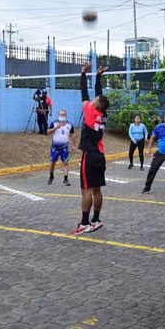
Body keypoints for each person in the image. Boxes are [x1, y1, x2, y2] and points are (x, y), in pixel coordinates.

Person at [71, 63, 109, 235]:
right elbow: (100, 96)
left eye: (94, 101)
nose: (92, 100)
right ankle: (96, 220)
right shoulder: (103, 114)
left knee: (86, 190)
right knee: (97, 189)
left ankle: (85, 223)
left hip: (90, 155)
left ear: (95, 106)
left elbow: (84, 93)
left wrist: (83, 73)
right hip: (100, 155)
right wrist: (99, 76)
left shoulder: (90, 112)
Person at [47, 109, 76, 185]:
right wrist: (55, 128)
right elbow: (48, 132)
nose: (62, 116)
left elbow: (72, 135)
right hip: (55, 147)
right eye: (60, 114)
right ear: (58, 115)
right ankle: (51, 176)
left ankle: (65, 179)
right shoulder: (54, 123)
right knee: (52, 162)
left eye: (63, 115)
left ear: (66, 116)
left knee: (65, 162)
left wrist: (74, 145)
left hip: (64, 147)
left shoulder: (69, 124)